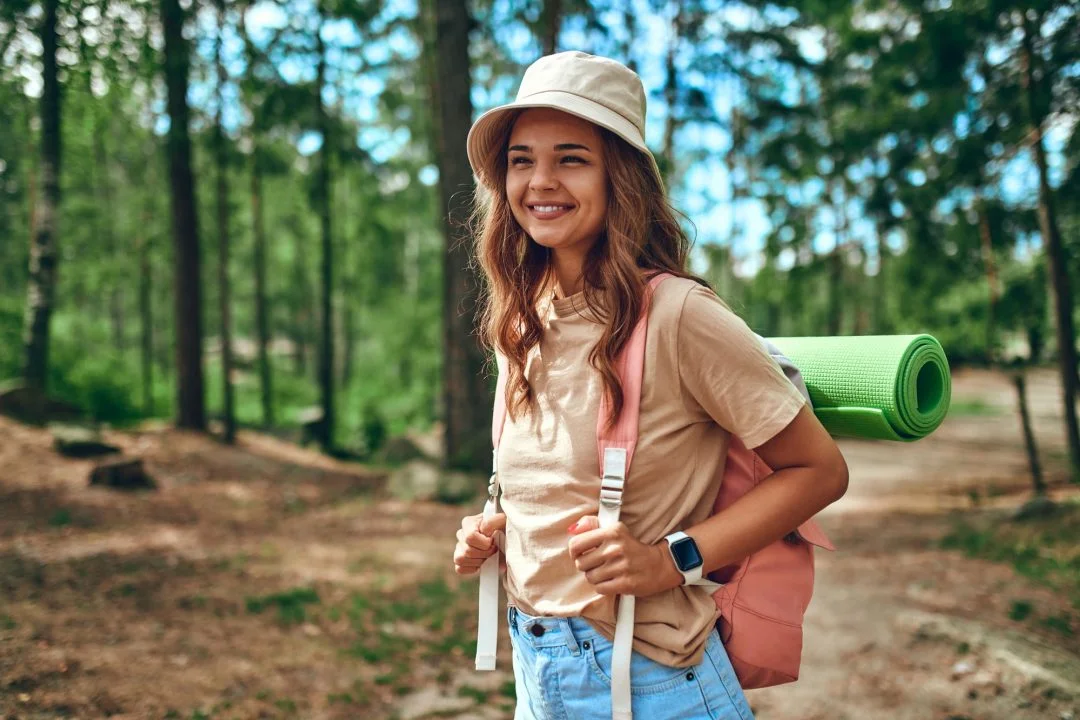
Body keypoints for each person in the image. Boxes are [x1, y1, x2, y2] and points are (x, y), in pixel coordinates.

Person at [452, 51, 849, 720]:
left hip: (651, 681)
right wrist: (495, 530)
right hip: (536, 670)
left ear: (621, 177)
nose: (540, 181)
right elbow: (554, 482)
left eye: (571, 158)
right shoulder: (521, 319)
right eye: (521, 160)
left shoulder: (678, 315)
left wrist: (672, 560)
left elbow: (819, 470)